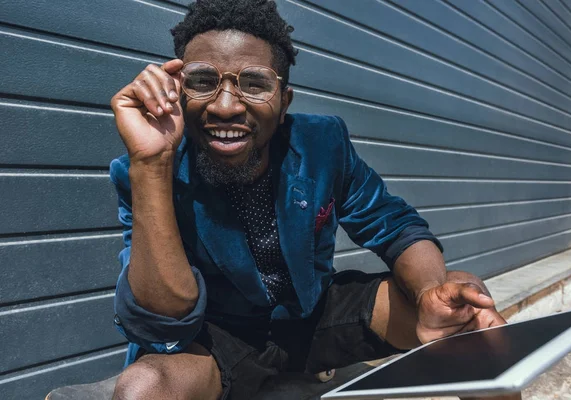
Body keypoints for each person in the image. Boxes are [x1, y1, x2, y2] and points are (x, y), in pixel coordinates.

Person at [108, 1, 521, 399]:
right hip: (218, 337)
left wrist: (430, 290)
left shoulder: (323, 144)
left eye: (254, 84)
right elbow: (166, 321)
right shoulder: (147, 168)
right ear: (177, 91)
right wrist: (152, 165)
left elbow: (396, 226)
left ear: (284, 101)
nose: (226, 106)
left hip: (312, 319)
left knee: (463, 307)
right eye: (202, 81)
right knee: (143, 390)